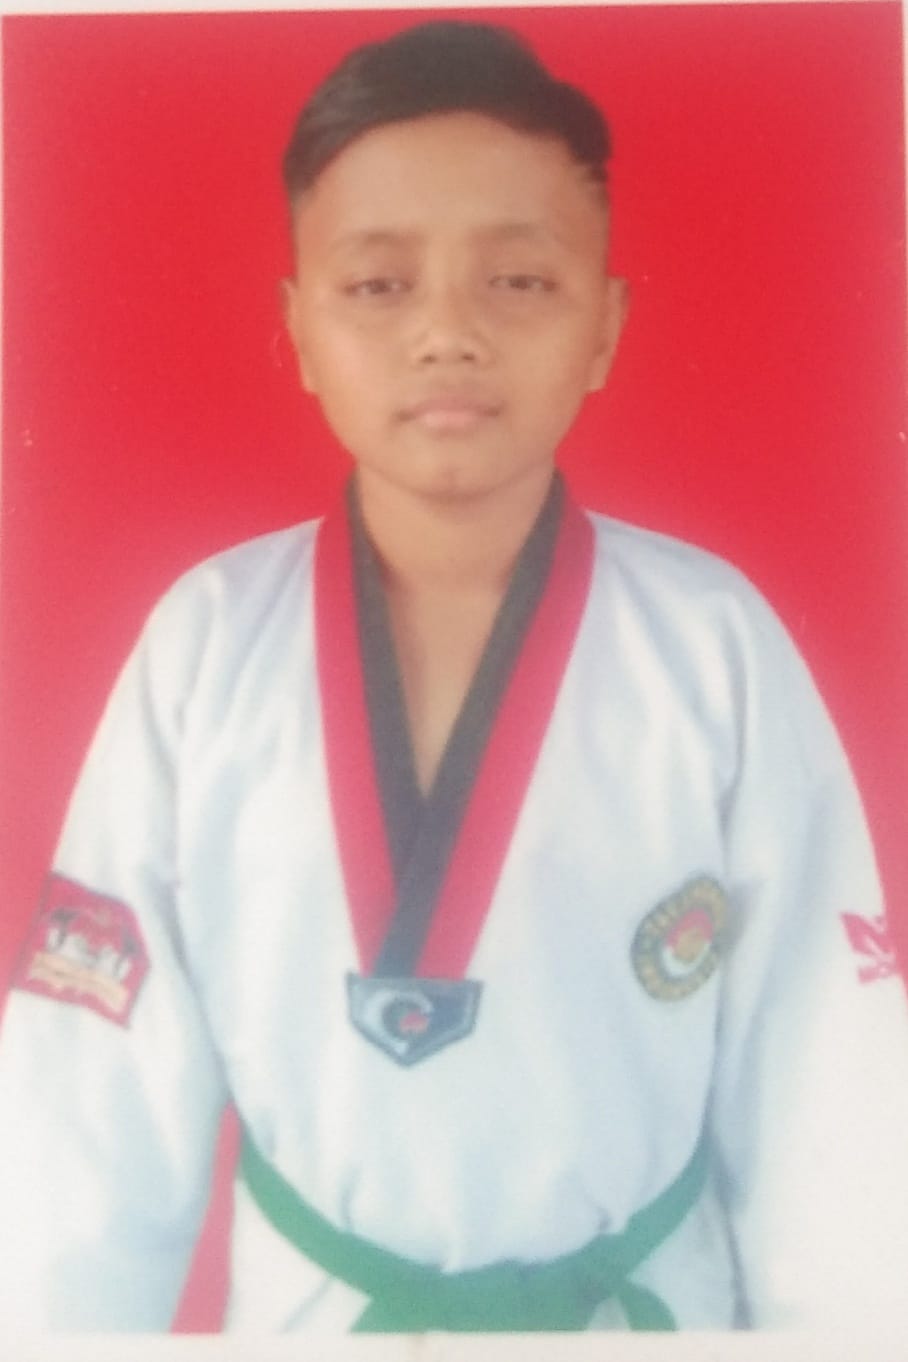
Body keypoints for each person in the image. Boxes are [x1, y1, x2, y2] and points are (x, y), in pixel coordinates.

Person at [1, 19, 906, 1335]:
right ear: (298, 326)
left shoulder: (714, 648)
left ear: (605, 324)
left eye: (519, 281)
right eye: (378, 284)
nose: (447, 334)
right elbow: (86, 1105)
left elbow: (831, 1084)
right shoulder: (204, 650)